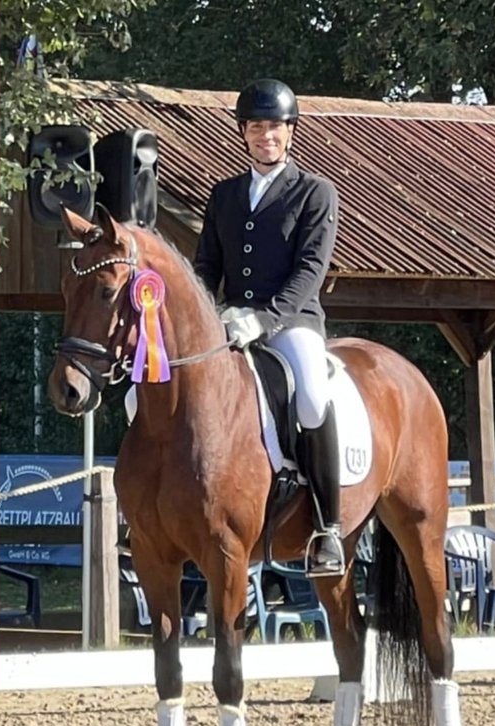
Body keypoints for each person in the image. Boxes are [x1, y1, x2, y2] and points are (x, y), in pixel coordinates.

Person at [193, 78, 344, 576]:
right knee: (153, 388)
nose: (266, 136)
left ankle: (327, 526)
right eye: (256, 127)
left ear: (290, 132)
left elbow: (310, 271)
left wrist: (266, 317)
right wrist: (202, 317)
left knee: (311, 397)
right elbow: (206, 268)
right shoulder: (224, 195)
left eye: (275, 127)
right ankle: (146, 512)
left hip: (291, 322)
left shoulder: (315, 193)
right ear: (244, 133)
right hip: (231, 323)